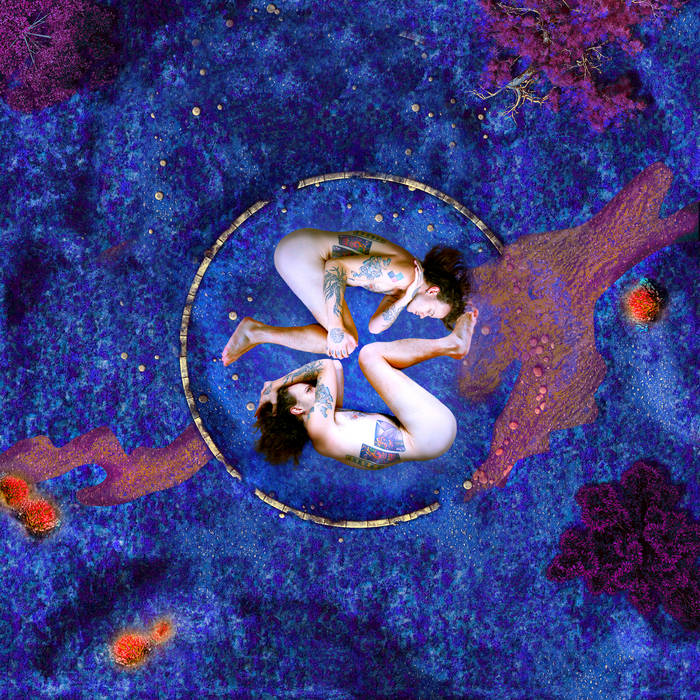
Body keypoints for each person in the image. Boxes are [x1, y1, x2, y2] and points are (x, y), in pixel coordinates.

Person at [253, 309, 478, 468]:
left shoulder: (329, 424)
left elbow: (334, 366)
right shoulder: (318, 428)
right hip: (428, 433)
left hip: (431, 437)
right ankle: (453, 345)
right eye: (309, 391)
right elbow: (325, 367)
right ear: (296, 410)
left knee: (370, 356)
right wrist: (277, 383)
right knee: (369, 355)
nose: (316, 389)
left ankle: (452, 345)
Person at [222, 228, 471, 365]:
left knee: (346, 340)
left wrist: (404, 301)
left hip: (299, 252)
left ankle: (256, 333)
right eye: (430, 312)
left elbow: (375, 327)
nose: (422, 316)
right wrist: (335, 328)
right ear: (433, 291)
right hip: (300, 255)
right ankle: (255, 333)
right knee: (343, 338)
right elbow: (335, 268)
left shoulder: (405, 286)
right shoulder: (404, 273)